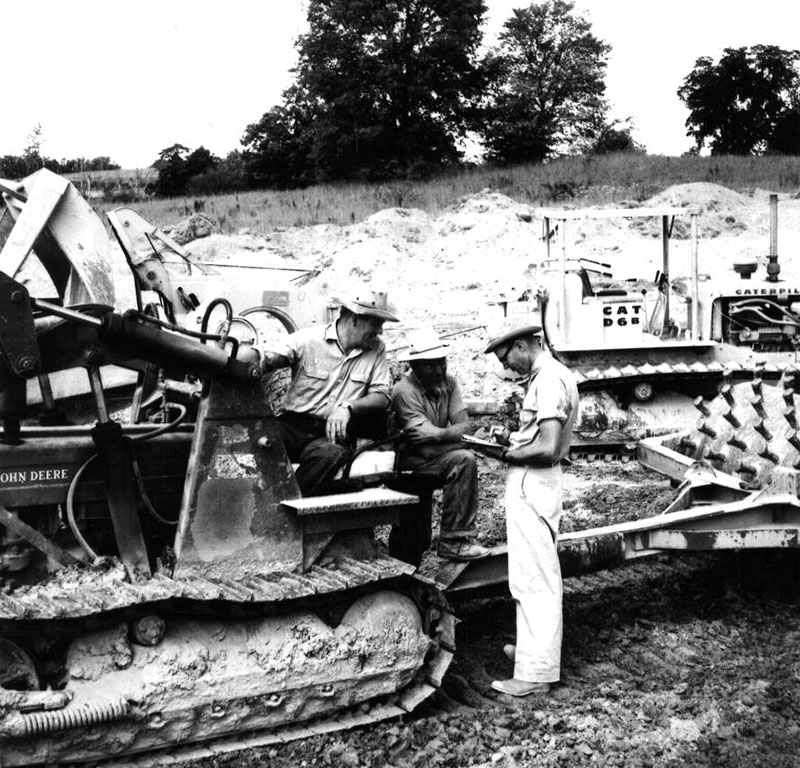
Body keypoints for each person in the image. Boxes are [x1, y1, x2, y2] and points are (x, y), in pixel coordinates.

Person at [484, 319, 579, 697]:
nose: (507, 367)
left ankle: (536, 673)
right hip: (531, 481)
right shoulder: (547, 376)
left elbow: (550, 447)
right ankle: (530, 652)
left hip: (534, 481)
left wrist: (509, 452)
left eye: (507, 357)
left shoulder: (549, 379)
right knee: (526, 574)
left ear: (523, 345)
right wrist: (512, 439)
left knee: (536, 578)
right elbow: (537, 436)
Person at [260, 288, 398, 496]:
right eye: (376, 323)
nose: (379, 331)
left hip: (329, 435)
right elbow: (269, 359)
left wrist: (348, 407)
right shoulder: (308, 339)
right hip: (292, 426)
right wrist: (259, 360)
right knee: (257, 442)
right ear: (354, 319)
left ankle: (282, 506)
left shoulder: (377, 349)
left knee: (330, 455)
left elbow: (382, 397)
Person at [389, 327, 490, 564]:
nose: (438, 370)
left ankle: (454, 541)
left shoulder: (450, 383)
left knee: (416, 534)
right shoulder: (404, 392)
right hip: (408, 466)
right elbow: (422, 447)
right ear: (415, 366)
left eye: (441, 362)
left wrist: (438, 435)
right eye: (430, 365)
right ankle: (453, 542)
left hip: (434, 459)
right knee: (463, 460)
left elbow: (465, 426)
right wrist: (456, 441)